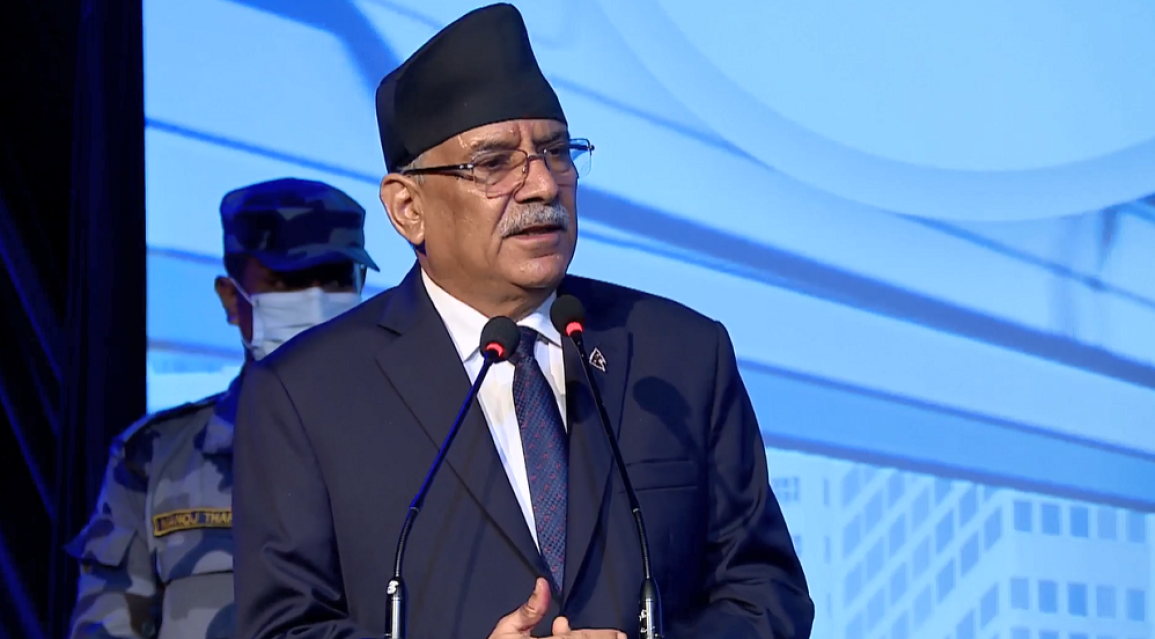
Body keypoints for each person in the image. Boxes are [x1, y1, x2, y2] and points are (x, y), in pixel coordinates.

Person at [233, 4, 814, 639]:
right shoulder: (306, 393)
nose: (542, 185)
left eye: (557, 152)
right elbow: (285, 629)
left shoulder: (678, 354)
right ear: (407, 208)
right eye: (493, 163)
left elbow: (765, 592)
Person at [65, 177, 379, 639]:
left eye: (334, 279)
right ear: (232, 298)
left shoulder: (412, 442)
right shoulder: (152, 460)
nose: (315, 300)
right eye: (287, 281)